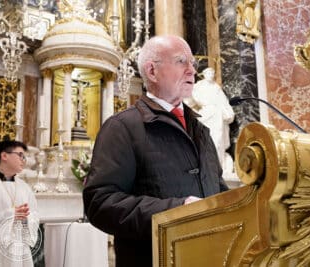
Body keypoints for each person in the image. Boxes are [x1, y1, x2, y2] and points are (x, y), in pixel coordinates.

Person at [83, 35, 229, 267]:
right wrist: (176, 211)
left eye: (193, 63)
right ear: (152, 71)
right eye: (182, 61)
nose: (192, 71)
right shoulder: (122, 127)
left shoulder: (201, 130)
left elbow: (218, 188)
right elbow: (100, 204)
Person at [0, 140, 39, 267]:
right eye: (20, 155)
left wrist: (26, 218)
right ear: (4, 156)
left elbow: (34, 215)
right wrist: (11, 214)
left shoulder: (24, 187)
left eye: (25, 157)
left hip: (20, 247)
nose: (24, 160)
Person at [188, 67, 235, 173]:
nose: (210, 75)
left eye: (212, 73)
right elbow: (188, 100)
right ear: (204, 74)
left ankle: (217, 166)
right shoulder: (198, 86)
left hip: (216, 115)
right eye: (208, 73)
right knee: (202, 139)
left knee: (217, 140)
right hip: (205, 113)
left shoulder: (216, 87)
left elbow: (223, 101)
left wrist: (228, 112)